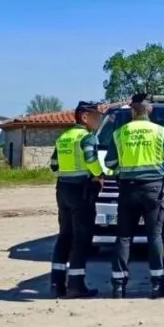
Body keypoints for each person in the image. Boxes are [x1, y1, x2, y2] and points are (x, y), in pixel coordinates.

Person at [105, 92, 164, 299]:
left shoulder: (120, 133)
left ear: (133, 110)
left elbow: (110, 163)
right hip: (153, 189)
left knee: (124, 237)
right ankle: (158, 285)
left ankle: (118, 286)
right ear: (150, 110)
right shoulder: (160, 131)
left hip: (127, 189)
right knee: (154, 236)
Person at [48, 101, 105, 298]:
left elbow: (54, 165)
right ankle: (76, 285)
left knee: (64, 235)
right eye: (95, 116)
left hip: (63, 189)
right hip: (82, 189)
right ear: (84, 117)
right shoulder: (86, 137)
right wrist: (99, 175)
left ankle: (56, 284)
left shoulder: (64, 137)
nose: (98, 120)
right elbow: (90, 158)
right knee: (81, 239)